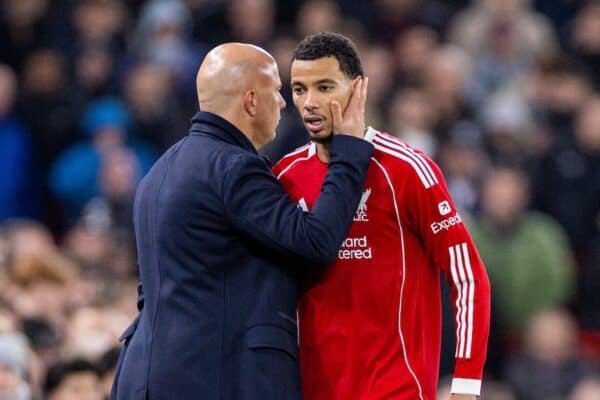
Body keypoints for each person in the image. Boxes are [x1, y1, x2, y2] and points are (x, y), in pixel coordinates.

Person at [111, 42, 373, 400]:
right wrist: (348, 151)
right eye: (277, 91)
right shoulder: (233, 168)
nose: (284, 103)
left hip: (143, 376)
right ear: (251, 100)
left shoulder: (156, 174)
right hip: (213, 378)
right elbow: (315, 241)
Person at [273, 32, 491, 400]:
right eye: (299, 89)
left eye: (325, 87)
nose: (309, 103)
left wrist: (466, 386)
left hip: (396, 389)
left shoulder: (406, 170)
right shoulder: (284, 176)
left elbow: (467, 276)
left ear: (359, 89)